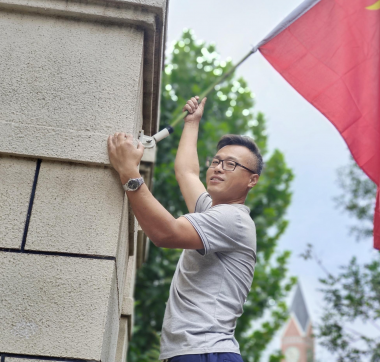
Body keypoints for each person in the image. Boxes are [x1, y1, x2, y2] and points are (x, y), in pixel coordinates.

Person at [107, 96, 263, 362]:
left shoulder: (232, 219)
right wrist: (192, 122)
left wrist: (128, 172)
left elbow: (166, 233)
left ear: (252, 180)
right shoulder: (212, 210)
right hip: (197, 353)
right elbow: (187, 172)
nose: (218, 168)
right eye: (216, 161)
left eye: (231, 164)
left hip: (206, 353)